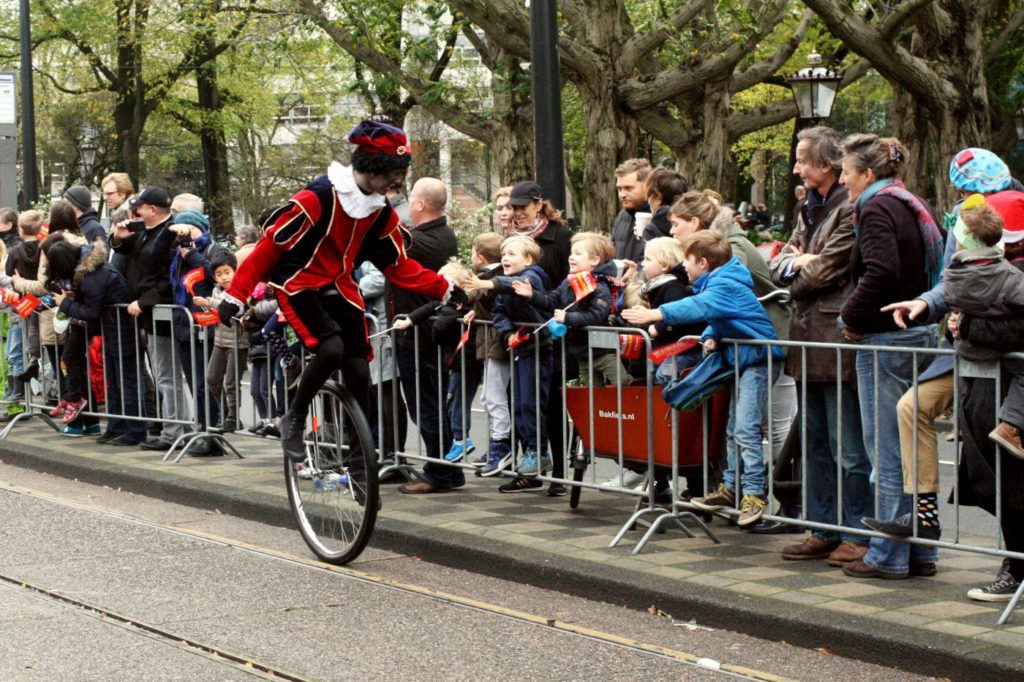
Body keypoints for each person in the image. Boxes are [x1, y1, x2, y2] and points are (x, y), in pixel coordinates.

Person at [218, 121, 462, 489]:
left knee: (360, 372)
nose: (398, 183)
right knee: (330, 347)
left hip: (339, 284)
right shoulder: (318, 197)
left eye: (401, 173)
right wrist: (235, 294)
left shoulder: (379, 212)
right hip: (299, 283)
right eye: (393, 174)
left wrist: (444, 289)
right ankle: (294, 418)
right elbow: (269, 249)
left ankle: (360, 466)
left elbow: (398, 267)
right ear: (372, 168)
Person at [861, 148, 1014, 547]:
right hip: (968, 353)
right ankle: (925, 517)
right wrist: (927, 304)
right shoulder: (966, 217)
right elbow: (954, 281)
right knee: (913, 406)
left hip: (1008, 365)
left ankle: (1013, 565)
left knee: (1003, 467)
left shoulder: (1005, 220)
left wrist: (970, 320)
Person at [624, 230, 785, 526]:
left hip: (759, 360)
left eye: (686, 260)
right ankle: (732, 488)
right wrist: (711, 335)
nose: (683, 266)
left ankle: (754, 494)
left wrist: (657, 314)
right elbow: (723, 316)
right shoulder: (719, 282)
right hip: (742, 357)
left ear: (702, 262)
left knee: (746, 429)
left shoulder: (724, 284)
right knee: (735, 428)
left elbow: (701, 307)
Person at [837, 134, 943, 581]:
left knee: (887, 449)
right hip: (913, 334)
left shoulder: (877, 207)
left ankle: (887, 555)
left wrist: (850, 315)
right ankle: (920, 554)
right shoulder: (905, 200)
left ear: (866, 173)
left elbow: (882, 271)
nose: (843, 180)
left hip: (887, 340)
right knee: (909, 446)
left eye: (845, 172)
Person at [770, 126, 872, 566]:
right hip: (807, 340)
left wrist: (797, 264)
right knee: (814, 445)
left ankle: (856, 531)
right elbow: (779, 264)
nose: (795, 168)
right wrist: (795, 262)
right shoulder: (807, 206)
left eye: (801, 160)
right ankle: (823, 527)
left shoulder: (850, 208)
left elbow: (824, 271)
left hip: (836, 341)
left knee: (848, 448)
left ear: (826, 166)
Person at [950, 190, 1024, 601]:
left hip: (1008, 391)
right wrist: (956, 325)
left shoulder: (1013, 275)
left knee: (1012, 483)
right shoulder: (990, 268)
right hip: (985, 386)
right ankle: (1015, 564)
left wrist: (968, 328)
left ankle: (1015, 569)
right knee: (998, 482)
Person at [384, 177, 463, 494]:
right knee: (431, 405)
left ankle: (439, 472)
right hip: (422, 332)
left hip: (419, 335)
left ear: (419, 204)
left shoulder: (420, 241)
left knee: (426, 407)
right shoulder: (441, 234)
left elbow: (387, 251)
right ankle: (447, 469)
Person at [111, 187, 191, 452]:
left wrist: (144, 302)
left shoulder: (169, 235)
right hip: (151, 314)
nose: (137, 212)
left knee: (167, 376)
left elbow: (170, 277)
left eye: (140, 208)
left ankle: (173, 431)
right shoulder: (147, 232)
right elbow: (126, 249)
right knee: (164, 374)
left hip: (163, 313)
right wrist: (119, 238)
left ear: (153, 210)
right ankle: (178, 426)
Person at [48, 239, 146, 444]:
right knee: (114, 382)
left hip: (121, 329)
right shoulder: (90, 271)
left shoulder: (94, 277)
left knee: (126, 382)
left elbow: (91, 312)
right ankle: (116, 426)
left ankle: (134, 430)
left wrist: (65, 303)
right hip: (112, 329)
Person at [514, 232, 629, 386]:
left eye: (578, 253)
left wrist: (567, 317)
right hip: (582, 353)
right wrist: (532, 295)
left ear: (595, 260)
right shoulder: (568, 282)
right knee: (591, 394)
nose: (571, 257)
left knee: (623, 385)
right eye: (571, 253)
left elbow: (597, 315)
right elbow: (552, 301)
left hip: (604, 351)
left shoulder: (600, 286)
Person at [491, 235, 553, 484]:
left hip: (539, 348)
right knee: (518, 404)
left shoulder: (533, 277)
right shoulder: (506, 287)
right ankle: (530, 450)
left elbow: (517, 284)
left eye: (512, 254)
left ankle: (539, 451)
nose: (505, 257)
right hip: (520, 348)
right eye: (503, 253)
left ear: (528, 259)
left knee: (531, 403)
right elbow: (498, 311)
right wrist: (507, 332)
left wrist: (492, 283)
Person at [461, 232, 509, 474]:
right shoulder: (491, 276)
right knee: (488, 397)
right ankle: (494, 444)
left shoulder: (489, 278)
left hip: (498, 344)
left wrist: (456, 294)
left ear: (479, 257)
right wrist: (475, 312)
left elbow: (478, 295)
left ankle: (501, 445)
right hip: (491, 343)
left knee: (494, 396)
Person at [193, 250, 249, 433]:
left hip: (237, 342)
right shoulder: (216, 290)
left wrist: (209, 303)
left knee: (232, 382)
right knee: (211, 379)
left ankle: (233, 417)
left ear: (235, 271)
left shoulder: (241, 290)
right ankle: (220, 413)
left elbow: (233, 307)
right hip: (219, 340)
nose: (224, 277)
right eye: (219, 274)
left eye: (227, 272)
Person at [612, 159, 652, 263]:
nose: (622, 195)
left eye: (628, 188)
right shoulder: (622, 216)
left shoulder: (661, 218)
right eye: (619, 189)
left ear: (648, 186)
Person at [642, 168, 688, 241]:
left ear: (658, 198)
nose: (648, 201)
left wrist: (643, 236)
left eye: (649, 196)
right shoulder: (690, 224)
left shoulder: (651, 231)